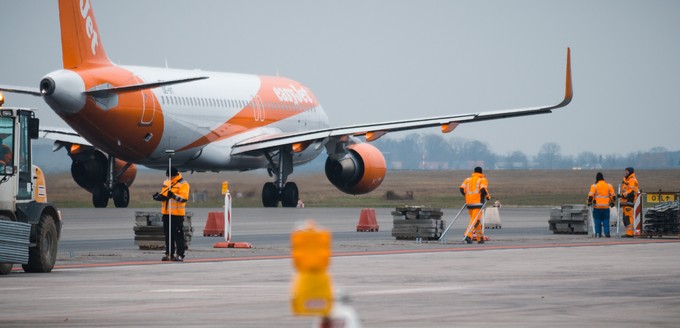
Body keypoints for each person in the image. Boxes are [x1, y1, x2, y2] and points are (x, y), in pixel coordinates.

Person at [153, 167, 190, 261]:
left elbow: (184, 198)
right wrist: (159, 197)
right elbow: (165, 196)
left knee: (178, 235)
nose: (168, 178)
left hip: (177, 214)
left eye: (170, 176)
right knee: (168, 235)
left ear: (174, 175)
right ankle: (169, 253)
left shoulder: (183, 184)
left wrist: (173, 196)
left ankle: (180, 254)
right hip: (166, 213)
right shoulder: (166, 182)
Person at [459, 166, 491, 244]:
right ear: (481, 172)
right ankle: (467, 235)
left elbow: (461, 189)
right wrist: (488, 196)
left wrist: (467, 196)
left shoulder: (467, 180)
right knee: (474, 220)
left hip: (469, 203)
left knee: (476, 220)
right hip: (478, 203)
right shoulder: (482, 180)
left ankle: (479, 238)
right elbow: (483, 189)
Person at [587, 172, 615, 238]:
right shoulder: (609, 186)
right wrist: (612, 202)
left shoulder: (594, 186)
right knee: (606, 221)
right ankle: (607, 234)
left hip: (597, 207)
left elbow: (590, 196)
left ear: (596, 178)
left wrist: (589, 202)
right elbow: (613, 196)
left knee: (597, 221)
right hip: (606, 207)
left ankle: (598, 234)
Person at [620, 167, 639, 237]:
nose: (626, 172)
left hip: (630, 200)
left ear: (630, 172)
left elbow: (631, 191)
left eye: (627, 171)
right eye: (625, 171)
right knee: (625, 218)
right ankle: (628, 232)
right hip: (625, 202)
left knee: (628, 217)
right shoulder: (626, 180)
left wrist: (624, 195)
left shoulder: (632, 180)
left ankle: (629, 233)